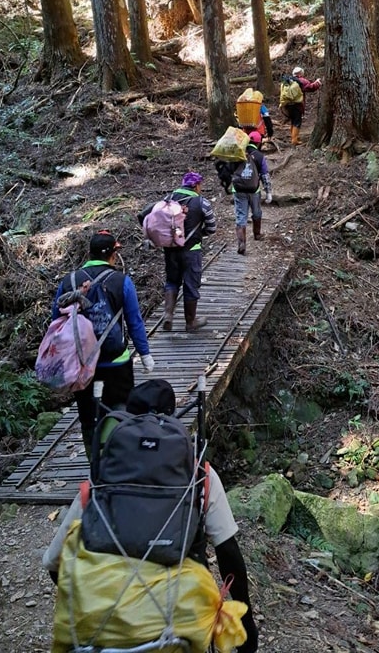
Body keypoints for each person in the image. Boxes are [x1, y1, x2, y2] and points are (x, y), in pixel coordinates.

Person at [42, 378, 259, 653]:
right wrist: (247, 625)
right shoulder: (200, 476)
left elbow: (54, 563)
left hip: (105, 626)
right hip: (176, 624)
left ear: (127, 419)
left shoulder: (102, 478)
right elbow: (230, 556)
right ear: (172, 416)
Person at [51, 231, 155, 458]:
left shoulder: (69, 281)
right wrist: (145, 354)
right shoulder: (121, 281)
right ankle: (120, 461)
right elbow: (134, 321)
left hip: (81, 364)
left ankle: (94, 465)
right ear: (112, 255)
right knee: (121, 411)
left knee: (88, 417)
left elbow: (54, 320)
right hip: (116, 362)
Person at [160, 171, 216, 332]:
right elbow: (212, 227)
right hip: (192, 250)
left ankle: (168, 315)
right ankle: (190, 322)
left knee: (172, 281)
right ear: (196, 185)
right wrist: (199, 233)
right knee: (191, 285)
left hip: (170, 249)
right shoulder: (201, 202)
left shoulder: (168, 199)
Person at [232, 130, 272, 254]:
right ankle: (257, 234)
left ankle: (242, 243)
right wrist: (268, 192)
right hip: (254, 190)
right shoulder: (259, 156)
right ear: (258, 143)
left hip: (238, 190)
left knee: (241, 216)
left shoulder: (238, 153)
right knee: (256, 212)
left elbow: (230, 170)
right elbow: (265, 175)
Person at [284, 65, 322, 146]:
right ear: (300, 73)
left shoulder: (288, 81)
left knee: (293, 121)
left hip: (287, 105)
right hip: (297, 105)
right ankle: (294, 140)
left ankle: (293, 137)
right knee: (297, 121)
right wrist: (317, 83)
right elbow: (311, 87)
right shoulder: (301, 80)